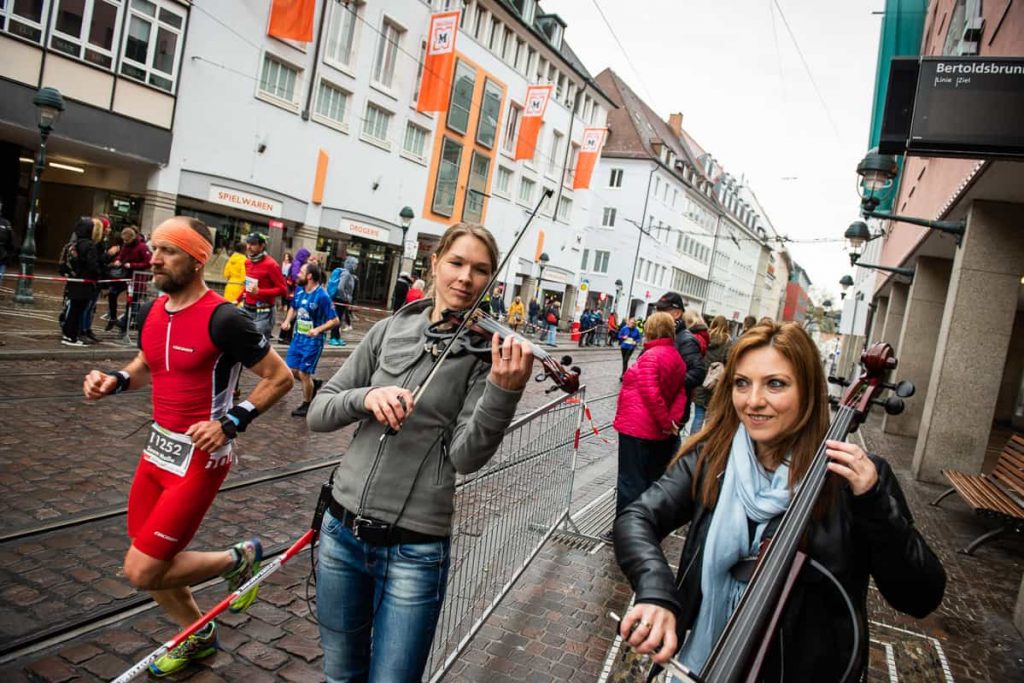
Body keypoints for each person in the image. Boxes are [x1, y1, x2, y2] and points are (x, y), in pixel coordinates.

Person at [613, 321, 946, 679]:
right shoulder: (714, 457)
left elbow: (920, 595)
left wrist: (876, 504)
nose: (753, 401)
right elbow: (637, 518)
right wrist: (656, 591)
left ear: (808, 391)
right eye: (742, 383)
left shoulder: (855, 479)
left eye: (775, 384)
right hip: (704, 663)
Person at [307, 222, 533, 681]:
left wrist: (503, 394)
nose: (465, 278)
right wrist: (366, 397)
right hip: (341, 533)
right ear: (435, 263)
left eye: (480, 271)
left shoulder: (484, 355)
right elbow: (320, 412)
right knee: (339, 674)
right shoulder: (391, 329)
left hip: (415, 550)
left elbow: (467, 457)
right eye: (457, 263)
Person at [81, 216, 293, 676]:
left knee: (141, 571)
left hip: (201, 459)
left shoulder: (226, 318)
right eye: (154, 248)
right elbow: (148, 364)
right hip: (157, 452)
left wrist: (231, 422)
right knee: (152, 558)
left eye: (168, 251)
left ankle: (240, 557)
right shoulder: (155, 310)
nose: (154, 258)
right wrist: (113, 381)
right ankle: (197, 635)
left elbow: (281, 378)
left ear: (196, 259)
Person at [612, 312, 687, 519]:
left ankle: (626, 526)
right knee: (650, 479)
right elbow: (681, 392)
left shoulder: (651, 356)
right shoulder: (676, 356)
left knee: (630, 482)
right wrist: (672, 422)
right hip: (658, 432)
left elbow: (651, 395)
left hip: (636, 429)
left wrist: (665, 422)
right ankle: (646, 523)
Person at [280, 262, 339, 417]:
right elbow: (294, 307)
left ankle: (306, 405)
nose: (297, 274)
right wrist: (287, 321)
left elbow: (335, 321)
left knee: (304, 373)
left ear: (310, 276)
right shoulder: (299, 291)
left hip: (313, 341)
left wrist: (318, 330)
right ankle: (313, 385)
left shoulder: (322, 296)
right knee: (289, 370)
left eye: (301, 271)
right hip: (297, 338)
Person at [654, 292, 707, 426]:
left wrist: (668, 382)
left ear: (676, 313)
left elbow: (698, 373)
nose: (656, 314)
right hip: (655, 408)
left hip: (672, 412)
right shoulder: (658, 335)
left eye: (662, 310)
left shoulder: (686, 340)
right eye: (657, 310)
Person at [61, 217, 101, 346]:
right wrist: (99, 275)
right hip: (85, 282)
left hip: (74, 279)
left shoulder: (75, 243)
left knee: (73, 308)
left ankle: (68, 334)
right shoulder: (89, 245)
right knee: (78, 310)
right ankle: (72, 336)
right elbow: (92, 265)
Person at [241, 233, 288, 339]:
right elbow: (248, 286)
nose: (249, 247)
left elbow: (283, 290)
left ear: (262, 246)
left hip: (263, 313)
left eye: (253, 244)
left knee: (258, 348)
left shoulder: (271, 265)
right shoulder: (247, 262)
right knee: (242, 344)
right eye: (248, 243)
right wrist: (237, 299)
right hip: (246, 309)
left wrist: (260, 292)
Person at [691, 315, 732, 434]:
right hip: (715, 382)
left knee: (698, 415)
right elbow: (728, 361)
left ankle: (692, 443)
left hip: (701, 379)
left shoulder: (705, 337)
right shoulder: (727, 342)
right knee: (710, 417)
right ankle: (703, 444)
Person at [108, 226, 152, 334]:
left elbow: (148, 262)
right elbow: (120, 255)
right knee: (112, 293)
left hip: (136, 278)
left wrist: (132, 265)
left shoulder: (142, 247)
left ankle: (125, 326)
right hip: (124, 276)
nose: (125, 242)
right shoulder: (125, 246)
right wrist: (118, 260)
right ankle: (113, 317)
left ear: (132, 238)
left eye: (127, 240)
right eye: (124, 240)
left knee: (131, 302)